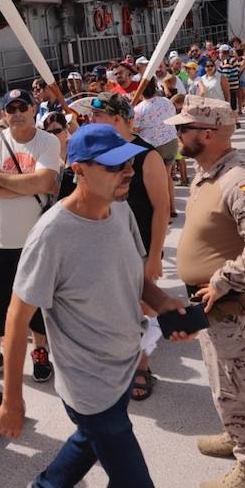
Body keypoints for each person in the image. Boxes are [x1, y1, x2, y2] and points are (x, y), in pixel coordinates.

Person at [0, 123, 195, 488]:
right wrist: (12, 399)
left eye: (128, 161)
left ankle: (50, 486)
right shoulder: (53, 236)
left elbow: (132, 278)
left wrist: (164, 304)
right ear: (79, 171)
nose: (127, 171)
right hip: (88, 385)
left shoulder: (120, 211)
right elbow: (17, 319)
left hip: (125, 362)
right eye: (114, 165)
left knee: (93, 439)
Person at [165, 97, 245, 488]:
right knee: (225, 383)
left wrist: (222, 279)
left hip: (236, 306)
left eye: (184, 128)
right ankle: (236, 435)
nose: (177, 134)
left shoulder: (238, 181)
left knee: (244, 387)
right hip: (214, 306)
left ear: (209, 134)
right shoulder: (206, 175)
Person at [84, 93, 171, 401]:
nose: (91, 122)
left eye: (98, 117)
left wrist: (156, 256)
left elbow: (162, 209)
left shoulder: (148, 156)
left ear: (117, 119)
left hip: (141, 247)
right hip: (106, 245)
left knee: (142, 310)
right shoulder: (99, 154)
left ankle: (142, 367)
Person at [0, 87, 60, 379]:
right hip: (0, 238)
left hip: (37, 238)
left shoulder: (48, 141)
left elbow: (45, 180)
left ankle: (40, 352)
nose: (16, 114)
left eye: (21, 107)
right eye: (10, 110)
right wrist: (31, 184)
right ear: (3, 114)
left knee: (37, 300)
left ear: (33, 109)